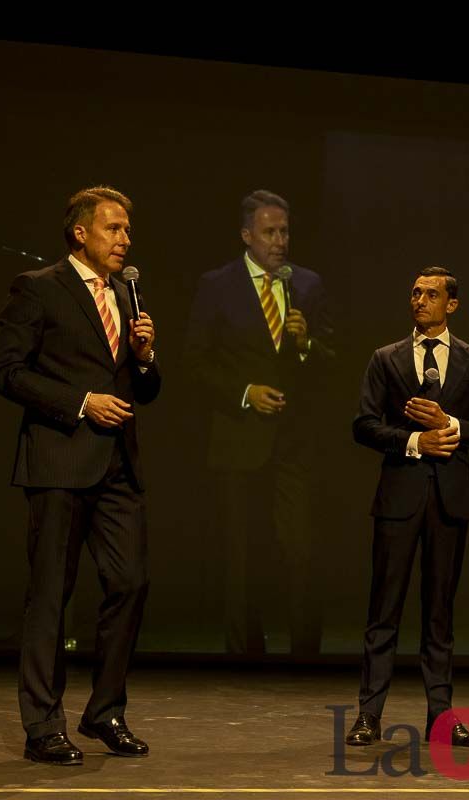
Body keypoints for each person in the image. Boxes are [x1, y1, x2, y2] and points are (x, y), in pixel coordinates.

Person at [0, 186, 160, 764]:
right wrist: (81, 401)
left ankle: (105, 712)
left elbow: (147, 390)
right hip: (60, 461)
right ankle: (43, 725)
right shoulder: (38, 289)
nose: (125, 240)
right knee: (50, 598)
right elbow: (7, 373)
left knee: (131, 582)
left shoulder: (126, 297)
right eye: (114, 229)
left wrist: (144, 358)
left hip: (118, 466)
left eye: (127, 231)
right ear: (80, 233)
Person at [344, 266, 469, 748]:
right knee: (384, 609)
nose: (420, 300)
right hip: (399, 499)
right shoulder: (386, 359)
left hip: (449, 502)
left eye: (431, 294)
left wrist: (449, 424)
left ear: (451, 304)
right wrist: (416, 440)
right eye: (414, 292)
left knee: (439, 613)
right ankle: (369, 713)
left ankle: (440, 712)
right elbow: (364, 425)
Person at [185, 189, 333, 656]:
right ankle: (243, 657)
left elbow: (334, 357)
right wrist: (245, 393)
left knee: (300, 549)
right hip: (239, 437)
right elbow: (196, 361)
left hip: (293, 441)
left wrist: (307, 343)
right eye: (269, 232)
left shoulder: (307, 285)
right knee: (242, 555)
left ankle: (306, 654)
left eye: (285, 231)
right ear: (247, 235)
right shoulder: (217, 284)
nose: (280, 241)